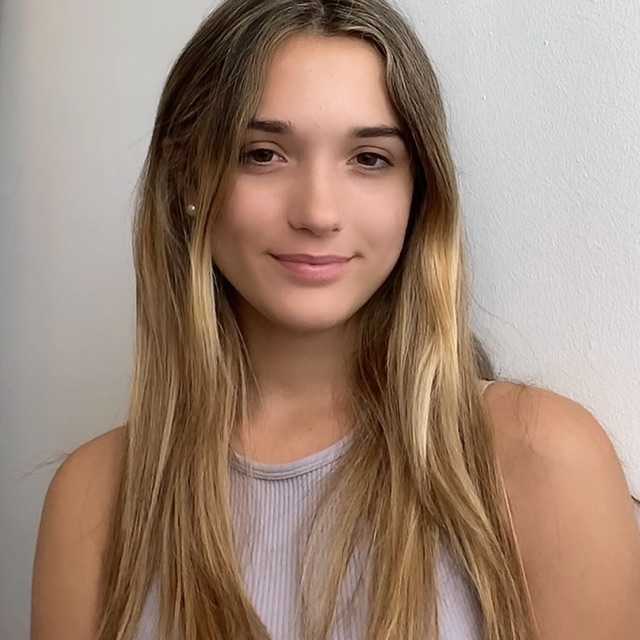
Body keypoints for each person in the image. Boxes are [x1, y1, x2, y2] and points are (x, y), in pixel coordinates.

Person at [30, 0, 640, 638]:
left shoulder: (541, 457)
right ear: (188, 178)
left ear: (419, 195)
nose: (318, 213)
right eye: (263, 154)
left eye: (369, 159)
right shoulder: (93, 498)